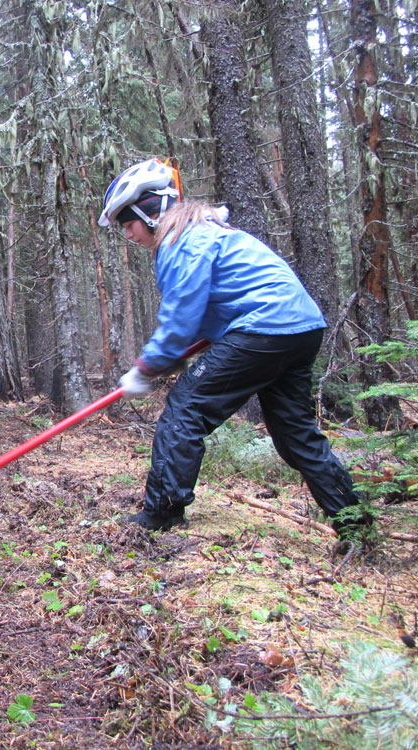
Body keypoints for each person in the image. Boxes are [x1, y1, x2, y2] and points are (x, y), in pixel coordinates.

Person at [99, 158, 368, 541]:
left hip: (263, 328)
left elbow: (181, 316)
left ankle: (161, 512)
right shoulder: (211, 233)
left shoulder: (181, 241)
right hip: (300, 328)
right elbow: (211, 311)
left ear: (152, 210)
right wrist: (169, 360)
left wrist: (146, 367)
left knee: (185, 409)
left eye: (128, 225)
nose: (128, 235)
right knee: (296, 434)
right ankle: (355, 522)